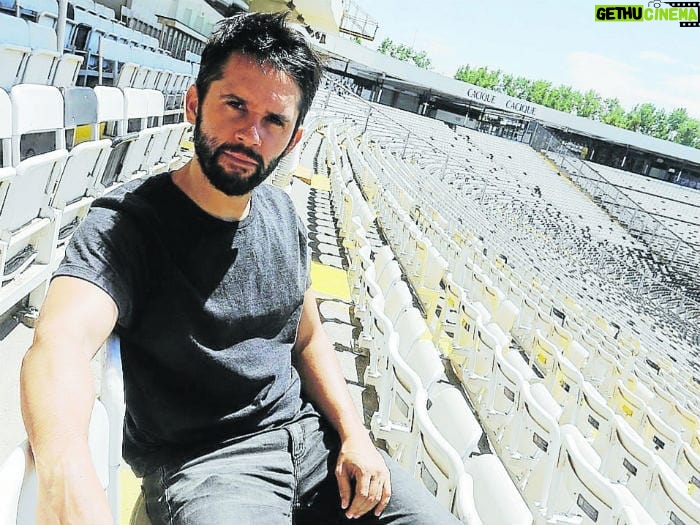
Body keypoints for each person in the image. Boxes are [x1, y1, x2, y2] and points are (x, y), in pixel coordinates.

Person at [20, 11, 462, 525]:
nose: (250, 134)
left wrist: (355, 434)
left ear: (294, 140)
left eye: (274, 121)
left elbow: (308, 337)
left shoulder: (283, 215)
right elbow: (59, 345)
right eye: (235, 105)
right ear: (193, 104)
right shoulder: (127, 225)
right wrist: (65, 471)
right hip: (208, 466)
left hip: (310, 447)